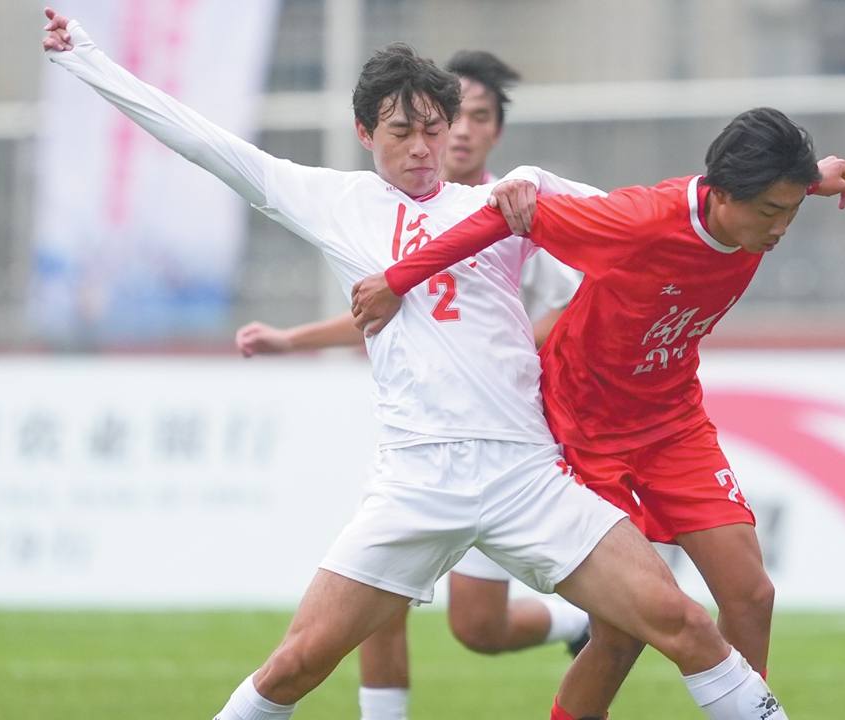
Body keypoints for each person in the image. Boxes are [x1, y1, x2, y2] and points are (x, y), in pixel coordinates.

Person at [42, 9, 794, 720]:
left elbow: (659, 217)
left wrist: (791, 185)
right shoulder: (332, 201)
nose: (423, 147)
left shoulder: (510, 200)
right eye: (402, 132)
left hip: (525, 474)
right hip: (416, 481)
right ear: (365, 133)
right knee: (296, 664)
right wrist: (88, 58)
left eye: (436, 129)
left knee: (685, 624)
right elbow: (205, 143)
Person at [353, 107, 845, 720]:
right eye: (771, 212)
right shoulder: (636, 222)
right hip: (584, 431)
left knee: (752, 595)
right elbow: (500, 217)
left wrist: (813, 177)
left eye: (792, 209)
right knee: (620, 638)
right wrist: (397, 278)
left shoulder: (758, 199)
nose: (781, 227)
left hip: (674, 423)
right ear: (723, 196)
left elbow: (776, 189)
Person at [236, 50, 589, 720]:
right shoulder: (385, 210)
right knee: (380, 598)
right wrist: (292, 340)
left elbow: (579, 305)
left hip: (515, 447)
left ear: (488, 131)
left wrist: (510, 353)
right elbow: (380, 309)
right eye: (423, 124)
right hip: (427, 443)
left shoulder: (518, 214)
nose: (453, 136)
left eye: (472, 119)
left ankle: (581, 627)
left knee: (478, 628)